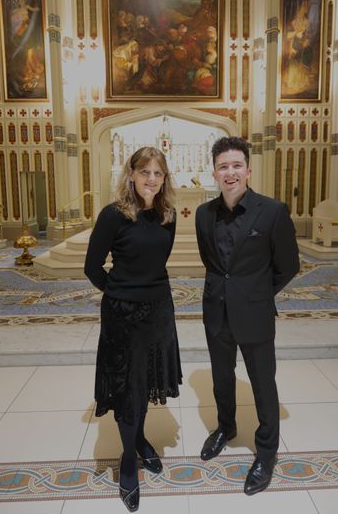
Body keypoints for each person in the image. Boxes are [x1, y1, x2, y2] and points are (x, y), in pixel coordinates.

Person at [195, 136, 300, 496]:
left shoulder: (272, 211)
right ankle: (226, 427)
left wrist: (254, 293)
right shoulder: (203, 214)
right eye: (223, 166)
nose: (230, 172)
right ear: (214, 172)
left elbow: (288, 266)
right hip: (216, 312)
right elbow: (211, 263)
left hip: (254, 314)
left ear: (248, 170)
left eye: (236, 165)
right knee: (221, 377)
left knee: (262, 383)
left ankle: (267, 452)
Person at [84, 146, 182, 512]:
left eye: (158, 174)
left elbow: (158, 262)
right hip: (122, 315)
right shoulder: (113, 215)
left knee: (144, 382)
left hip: (157, 312)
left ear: (164, 178)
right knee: (128, 388)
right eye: (145, 173)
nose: (152, 180)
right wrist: (119, 292)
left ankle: (140, 439)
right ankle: (128, 461)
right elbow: (93, 267)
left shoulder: (168, 215)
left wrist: (147, 294)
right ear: (131, 175)